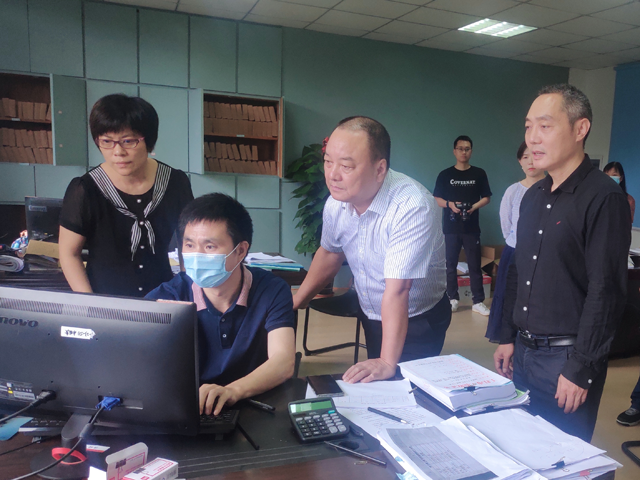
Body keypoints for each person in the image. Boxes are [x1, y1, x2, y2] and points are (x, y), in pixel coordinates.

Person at [494, 84, 631, 442]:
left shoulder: (603, 197)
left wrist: (581, 367)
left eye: (545, 126)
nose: (532, 138)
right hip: (523, 351)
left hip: (566, 358)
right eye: (528, 126)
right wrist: (507, 337)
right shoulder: (532, 197)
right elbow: (518, 270)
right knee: (521, 445)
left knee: (560, 456)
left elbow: (606, 291)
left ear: (580, 128)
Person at [292, 116, 450, 384]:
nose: (332, 175)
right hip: (373, 312)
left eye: (346, 166)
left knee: (406, 389)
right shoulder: (337, 202)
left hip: (417, 318)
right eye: (328, 162)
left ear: (379, 169)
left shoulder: (412, 206)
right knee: (377, 384)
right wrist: (296, 302)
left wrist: (387, 361)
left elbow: (398, 289)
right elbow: (330, 253)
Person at [146, 193, 296, 415]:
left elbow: (283, 361)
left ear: (241, 251)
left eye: (209, 247)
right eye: (189, 244)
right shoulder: (169, 297)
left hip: (254, 401)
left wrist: (232, 391)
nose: (196, 256)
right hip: (194, 408)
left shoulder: (272, 290)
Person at [59, 94, 193, 297]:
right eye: (107, 141)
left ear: (149, 140)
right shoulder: (85, 189)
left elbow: (188, 244)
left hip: (164, 297)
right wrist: (91, 304)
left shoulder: (175, 183)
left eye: (128, 141)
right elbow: (69, 253)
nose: (118, 152)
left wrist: (189, 292)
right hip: (105, 301)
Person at [485, 142, 545, 343]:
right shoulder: (513, 191)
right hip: (515, 251)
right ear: (519, 161)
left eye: (535, 156)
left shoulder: (554, 189)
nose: (530, 162)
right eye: (525, 157)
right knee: (511, 296)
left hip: (544, 254)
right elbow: (506, 224)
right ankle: (508, 338)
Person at [433, 136, 492, 316]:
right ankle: (452, 298)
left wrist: (473, 207)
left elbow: (486, 197)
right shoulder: (445, 175)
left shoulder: (479, 173)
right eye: (460, 148)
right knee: (450, 264)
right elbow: (437, 199)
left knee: (474, 265)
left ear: (471, 151)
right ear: (454, 151)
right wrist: (450, 204)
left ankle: (478, 301)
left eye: (467, 149)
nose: (463, 152)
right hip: (451, 228)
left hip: (471, 228)